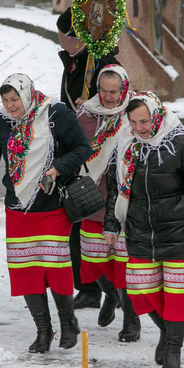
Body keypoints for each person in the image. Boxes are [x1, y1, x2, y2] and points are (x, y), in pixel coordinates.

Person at [102, 91, 184, 368]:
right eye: (133, 122)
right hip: (140, 231)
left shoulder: (182, 143)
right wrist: (111, 225)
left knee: (178, 295)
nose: (139, 128)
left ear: (157, 114)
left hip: (179, 232)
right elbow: (115, 190)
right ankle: (168, 331)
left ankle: (172, 353)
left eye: (144, 121)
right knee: (140, 289)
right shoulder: (126, 144)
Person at [0, 73, 92, 353]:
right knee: (27, 272)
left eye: (15, 99)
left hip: (53, 207)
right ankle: (43, 330)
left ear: (27, 94)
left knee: (56, 269)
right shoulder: (0, 123)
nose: (10, 105)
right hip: (19, 209)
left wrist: (58, 167)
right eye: (5, 99)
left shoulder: (55, 114)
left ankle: (67, 319)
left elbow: (83, 148)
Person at [56, 0, 127, 312]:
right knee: (76, 220)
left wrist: (94, 99)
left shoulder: (101, 61)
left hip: (103, 154)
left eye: (66, 35)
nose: (61, 40)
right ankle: (87, 286)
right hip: (76, 149)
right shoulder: (74, 61)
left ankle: (110, 291)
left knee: (100, 226)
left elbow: (116, 97)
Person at [75, 65, 134, 336]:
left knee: (123, 264)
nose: (108, 97)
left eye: (114, 91)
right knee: (94, 258)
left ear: (124, 88)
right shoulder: (85, 113)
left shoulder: (136, 112)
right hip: (91, 197)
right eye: (103, 90)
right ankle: (110, 294)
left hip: (124, 199)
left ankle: (131, 322)